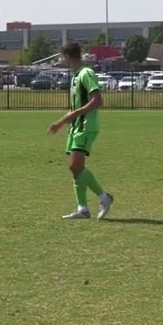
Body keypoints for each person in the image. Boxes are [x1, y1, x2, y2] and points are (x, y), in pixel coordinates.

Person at [47, 42, 115, 220]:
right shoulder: (76, 76)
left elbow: (98, 100)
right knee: (76, 169)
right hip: (76, 127)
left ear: (68, 57)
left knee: (74, 166)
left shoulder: (86, 73)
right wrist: (60, 123)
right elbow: (74, 107)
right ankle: (82, 209)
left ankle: (104, 197)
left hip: (86, 126)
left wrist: (76, 114)